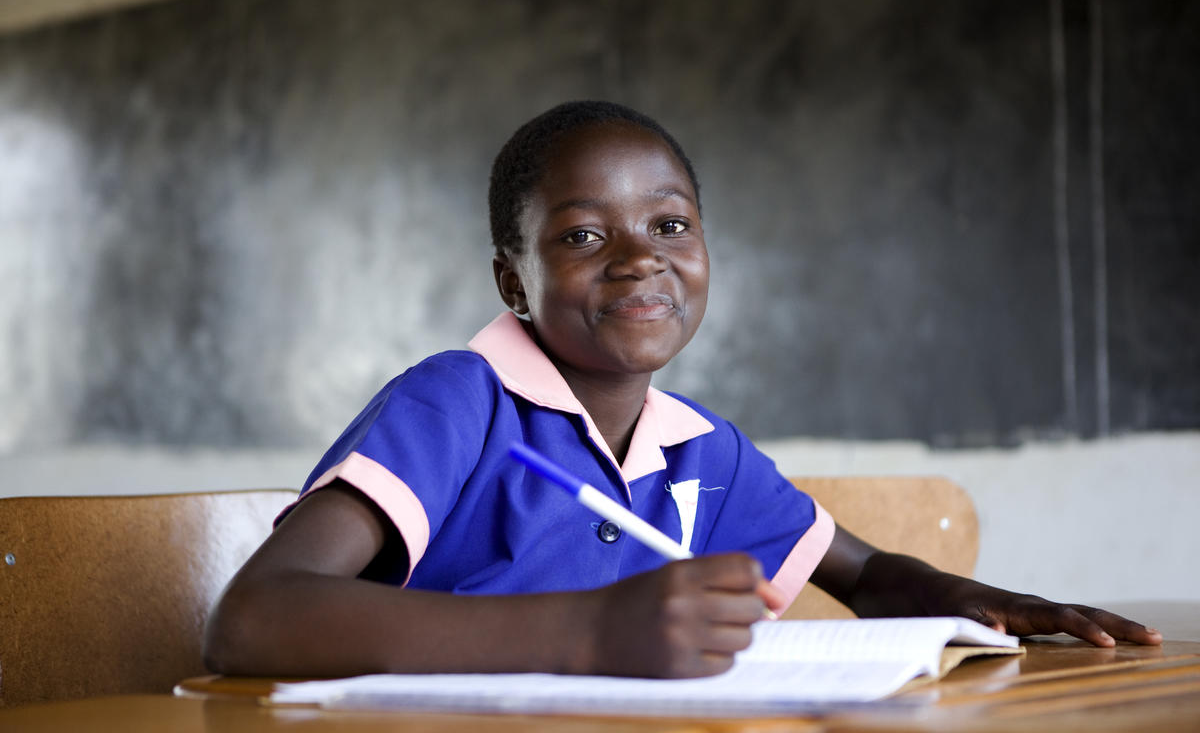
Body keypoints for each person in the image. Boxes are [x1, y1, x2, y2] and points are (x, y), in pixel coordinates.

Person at [204, 100, 1161, 680]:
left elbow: (863, 576)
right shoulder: (457, 401)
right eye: (583, 236)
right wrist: (590, 629)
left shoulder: (697, 446)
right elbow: (253, 621)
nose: (638, 261)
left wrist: (982, 601)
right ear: (512, 282)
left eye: (670, 225)